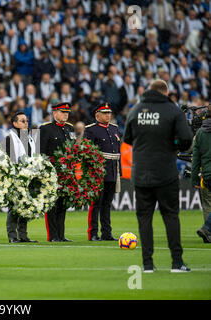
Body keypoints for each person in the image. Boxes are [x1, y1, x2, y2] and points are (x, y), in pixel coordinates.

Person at [123, 80, 193, 273]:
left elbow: (127, 138)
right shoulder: (173, 110)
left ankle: (147, 265)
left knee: (144, 218)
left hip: (141, 172)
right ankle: (177, 263)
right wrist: (173, 143)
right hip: (165, 172)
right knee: (170, 215)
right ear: (166, 92)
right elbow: (186, 140)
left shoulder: (136, 110)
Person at [84, 103, 121, 241]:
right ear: (97, 115)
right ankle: (93, 233)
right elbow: (87, 152)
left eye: (109, 113)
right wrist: (90, 173)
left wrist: (119, 171)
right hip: (97, 173)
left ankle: (107, 233)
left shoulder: (115, 129)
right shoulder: (91, 130)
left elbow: (118, 152)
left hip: (112, 170)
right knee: (96, 204)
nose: (108, 115)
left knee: (107, 204)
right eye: (105, 113)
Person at [39, 102, 75, 242]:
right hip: (52, 170)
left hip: (66, 171)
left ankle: (61, 234)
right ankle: (53, 235)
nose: (66, 114)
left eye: (67, 112)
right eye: (62, 112)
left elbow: (72, 148)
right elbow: (40, 151)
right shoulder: (45, 128)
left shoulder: (69, 128)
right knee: (52, 204)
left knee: (63, 204)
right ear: (54, 114)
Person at [4, 111, 37, 243]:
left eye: (27, 120)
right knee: (14, 207)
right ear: (14, 123)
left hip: (29, 176)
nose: (26, 123)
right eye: (23, 121)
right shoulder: (9, 138)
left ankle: (23, 235)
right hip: (16, 176)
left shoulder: (29, 137)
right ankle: (12, 236)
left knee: (26, 205)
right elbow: (9, 160)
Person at [191, 107, 211, 243]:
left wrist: (195, 179)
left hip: (207, 175)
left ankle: (208, 234)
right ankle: (207, 228)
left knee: (207, 204)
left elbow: (195, 159)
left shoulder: (200, 133)